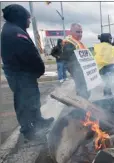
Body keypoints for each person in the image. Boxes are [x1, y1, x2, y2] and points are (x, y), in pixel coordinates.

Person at [1, 4, 54, 140]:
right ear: (20, 17)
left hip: (22, 74)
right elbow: (29, 56)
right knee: (25, 101)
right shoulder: (16, 33)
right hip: (21, 75)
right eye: (28, 18)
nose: (29, 21)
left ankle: (37, 121)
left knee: (31, 99)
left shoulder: (12, 29)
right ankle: (30, 130)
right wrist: (39, 69)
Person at [61, 23, 90, 99]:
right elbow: (69, 60)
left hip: (82, 72)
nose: (80, 34)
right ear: (71, 32)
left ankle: (84, 106)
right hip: (78, 72)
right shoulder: (69, 43)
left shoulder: (78, 42)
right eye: (77, 32)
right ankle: (83, 108)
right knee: (83, 93)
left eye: (81, 32)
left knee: (85, 92)